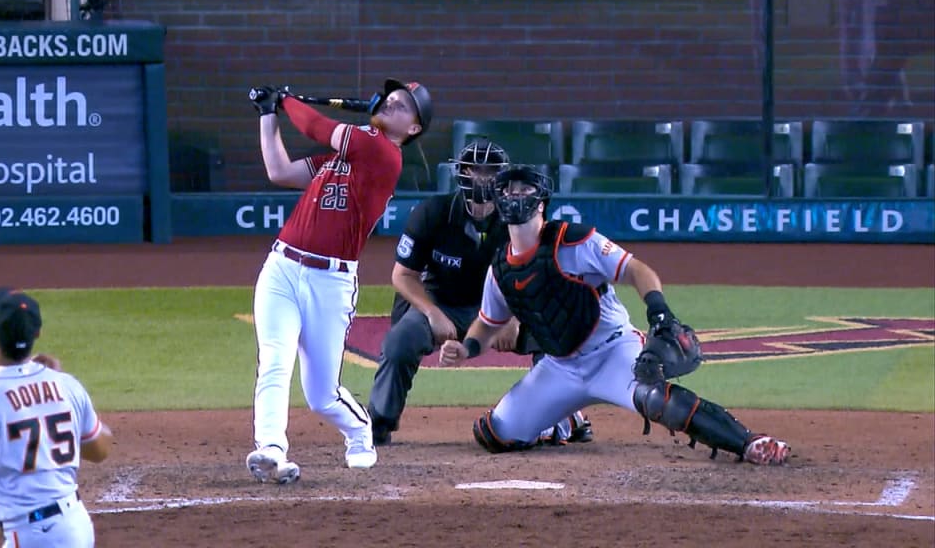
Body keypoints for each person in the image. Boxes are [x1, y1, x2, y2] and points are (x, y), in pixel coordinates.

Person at [438, 165, 791, 466]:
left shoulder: (574, 240)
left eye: (524, 189)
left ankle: (748, 441)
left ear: (541, 201)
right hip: (559, 366)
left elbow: (636, 270)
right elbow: (488, 323)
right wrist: (467, 349)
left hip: (613, 351)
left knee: (657, 400)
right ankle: (566, 421)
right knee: (495, 434)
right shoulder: (499, 267)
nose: (515, 195)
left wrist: (659, 312)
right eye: (509, 189)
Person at [246, 78, 433, 484]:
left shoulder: (381, 152)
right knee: (275, 360)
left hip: (330, 283)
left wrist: (287, 100)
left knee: (321, 394)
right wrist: (267, 114)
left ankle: (358, 429)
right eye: (390, 99)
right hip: (281, 267)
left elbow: (315, 126)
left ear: (413, 129)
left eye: (402, 106)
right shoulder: (341, 157)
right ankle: (271, 449)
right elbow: (279, 171)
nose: (391, 103)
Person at [368, 138, 592, 447]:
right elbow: (402, 275)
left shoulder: (521, 218)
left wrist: (513, 317)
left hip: (498, 305)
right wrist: (432, 313)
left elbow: (537, 276)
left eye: (490, 171)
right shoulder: (432, 212)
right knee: (400, 340)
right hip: (439, 302)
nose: (483, 178)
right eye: (475, 169)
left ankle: (562, 417)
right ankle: (379, 423)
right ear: (462, 173)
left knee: (553, 329)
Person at [0, 286, 113, 547]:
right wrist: (58, 394)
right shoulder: (67, 385)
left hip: (33, 536)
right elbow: (100, 451)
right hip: (77, 526)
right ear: (37, 333)